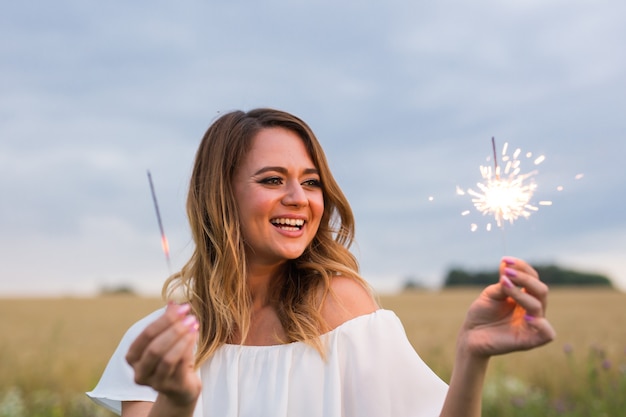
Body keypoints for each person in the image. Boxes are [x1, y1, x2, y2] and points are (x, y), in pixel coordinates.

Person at [87, 108, 555, 417]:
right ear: (220, 195)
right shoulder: (156, 346)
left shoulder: (345, 314)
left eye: (311, 182)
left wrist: (470, 355)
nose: (299, 199)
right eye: (273, 180)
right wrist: (177, 398)